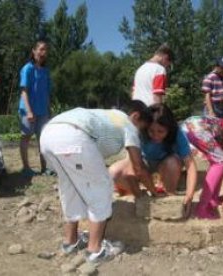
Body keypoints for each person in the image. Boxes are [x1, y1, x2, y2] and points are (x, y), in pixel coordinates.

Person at [40, 100, 155, 263]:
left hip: (48, 134)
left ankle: (70, 242)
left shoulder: (108, 116)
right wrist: (154, 191)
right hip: (73, 136)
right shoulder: (128, 124)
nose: (139, 132)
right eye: (142, 128)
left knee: (70, 187)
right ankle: (95, 250)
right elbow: (138, 167)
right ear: (136, 116)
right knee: (101, 186)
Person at [109, 103, 197, 218]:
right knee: (113, 172)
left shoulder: (177, 133)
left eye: (161, 132)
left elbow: (190, 166)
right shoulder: (139, 131)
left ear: (169, 130)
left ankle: (169, 193)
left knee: (172, 163)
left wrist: (190, 195)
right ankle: (143, 190)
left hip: (166, 164)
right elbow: (132, 163)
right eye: (151, 131)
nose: (156, 136)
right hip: (144, 163)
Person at [18, 41, 54, 177]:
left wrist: (49, 109)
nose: (43, 53)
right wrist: (29, 111)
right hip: (28, 110)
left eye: (46, 50)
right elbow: (24, 91)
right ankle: (26, 168)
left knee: (44, 139)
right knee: (25, 137)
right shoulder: (27, 68)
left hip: (43, 111)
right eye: (41, 49)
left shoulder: (45, 71)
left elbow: (47, 92)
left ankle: (45, 168)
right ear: (34, 51)